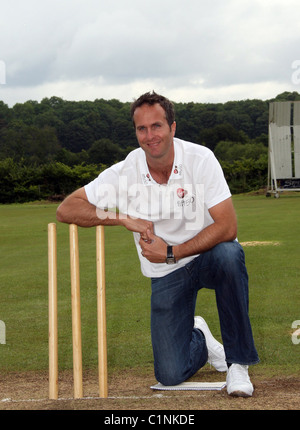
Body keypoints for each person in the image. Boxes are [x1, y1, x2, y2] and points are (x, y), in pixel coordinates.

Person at [56, 91, 259, 397]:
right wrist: (122, 218)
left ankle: (238, 364)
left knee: (230, 255)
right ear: (136, 132)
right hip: (165, 274)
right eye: (142, 129)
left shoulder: (200, 159)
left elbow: (227, 226)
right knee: (170, 373)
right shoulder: (126, 171)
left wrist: (171, 252)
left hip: (206, 256)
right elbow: (67, 208)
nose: (150, 136)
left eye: (157, 126)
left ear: (172, 127)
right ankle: (200, 336)